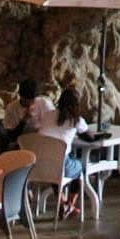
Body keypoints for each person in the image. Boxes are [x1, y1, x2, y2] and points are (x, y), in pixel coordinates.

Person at [38, 87, 93, 217]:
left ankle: (63, 203)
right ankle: (70, 204)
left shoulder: (47, 115)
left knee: (55, 163)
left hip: (40, 165)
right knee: (80, 168)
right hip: (60, 166)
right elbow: (89, 138)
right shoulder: (76, 120)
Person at [0, 78, 54, 151]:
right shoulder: (12, 108)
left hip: (41, 141)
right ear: (21, 96)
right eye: (27, 100)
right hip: (21, 144)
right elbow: (11, 137)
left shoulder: (44, 103)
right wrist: (24, 120)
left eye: (33, 100)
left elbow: (53, 124)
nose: (31, 103)